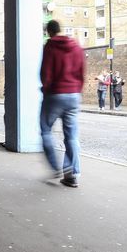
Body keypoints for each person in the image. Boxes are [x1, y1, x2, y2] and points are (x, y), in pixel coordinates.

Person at [39, 20, 85, 188]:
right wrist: (76, 90)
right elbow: (81, 73)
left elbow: (46, 73)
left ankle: (55, 166)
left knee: (45, 130)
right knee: (71, 136)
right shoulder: (77, 47)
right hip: (73, 94)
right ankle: (72, 173)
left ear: (49, 32)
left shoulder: (50, 46)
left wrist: (46, 89)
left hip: (55, 94)